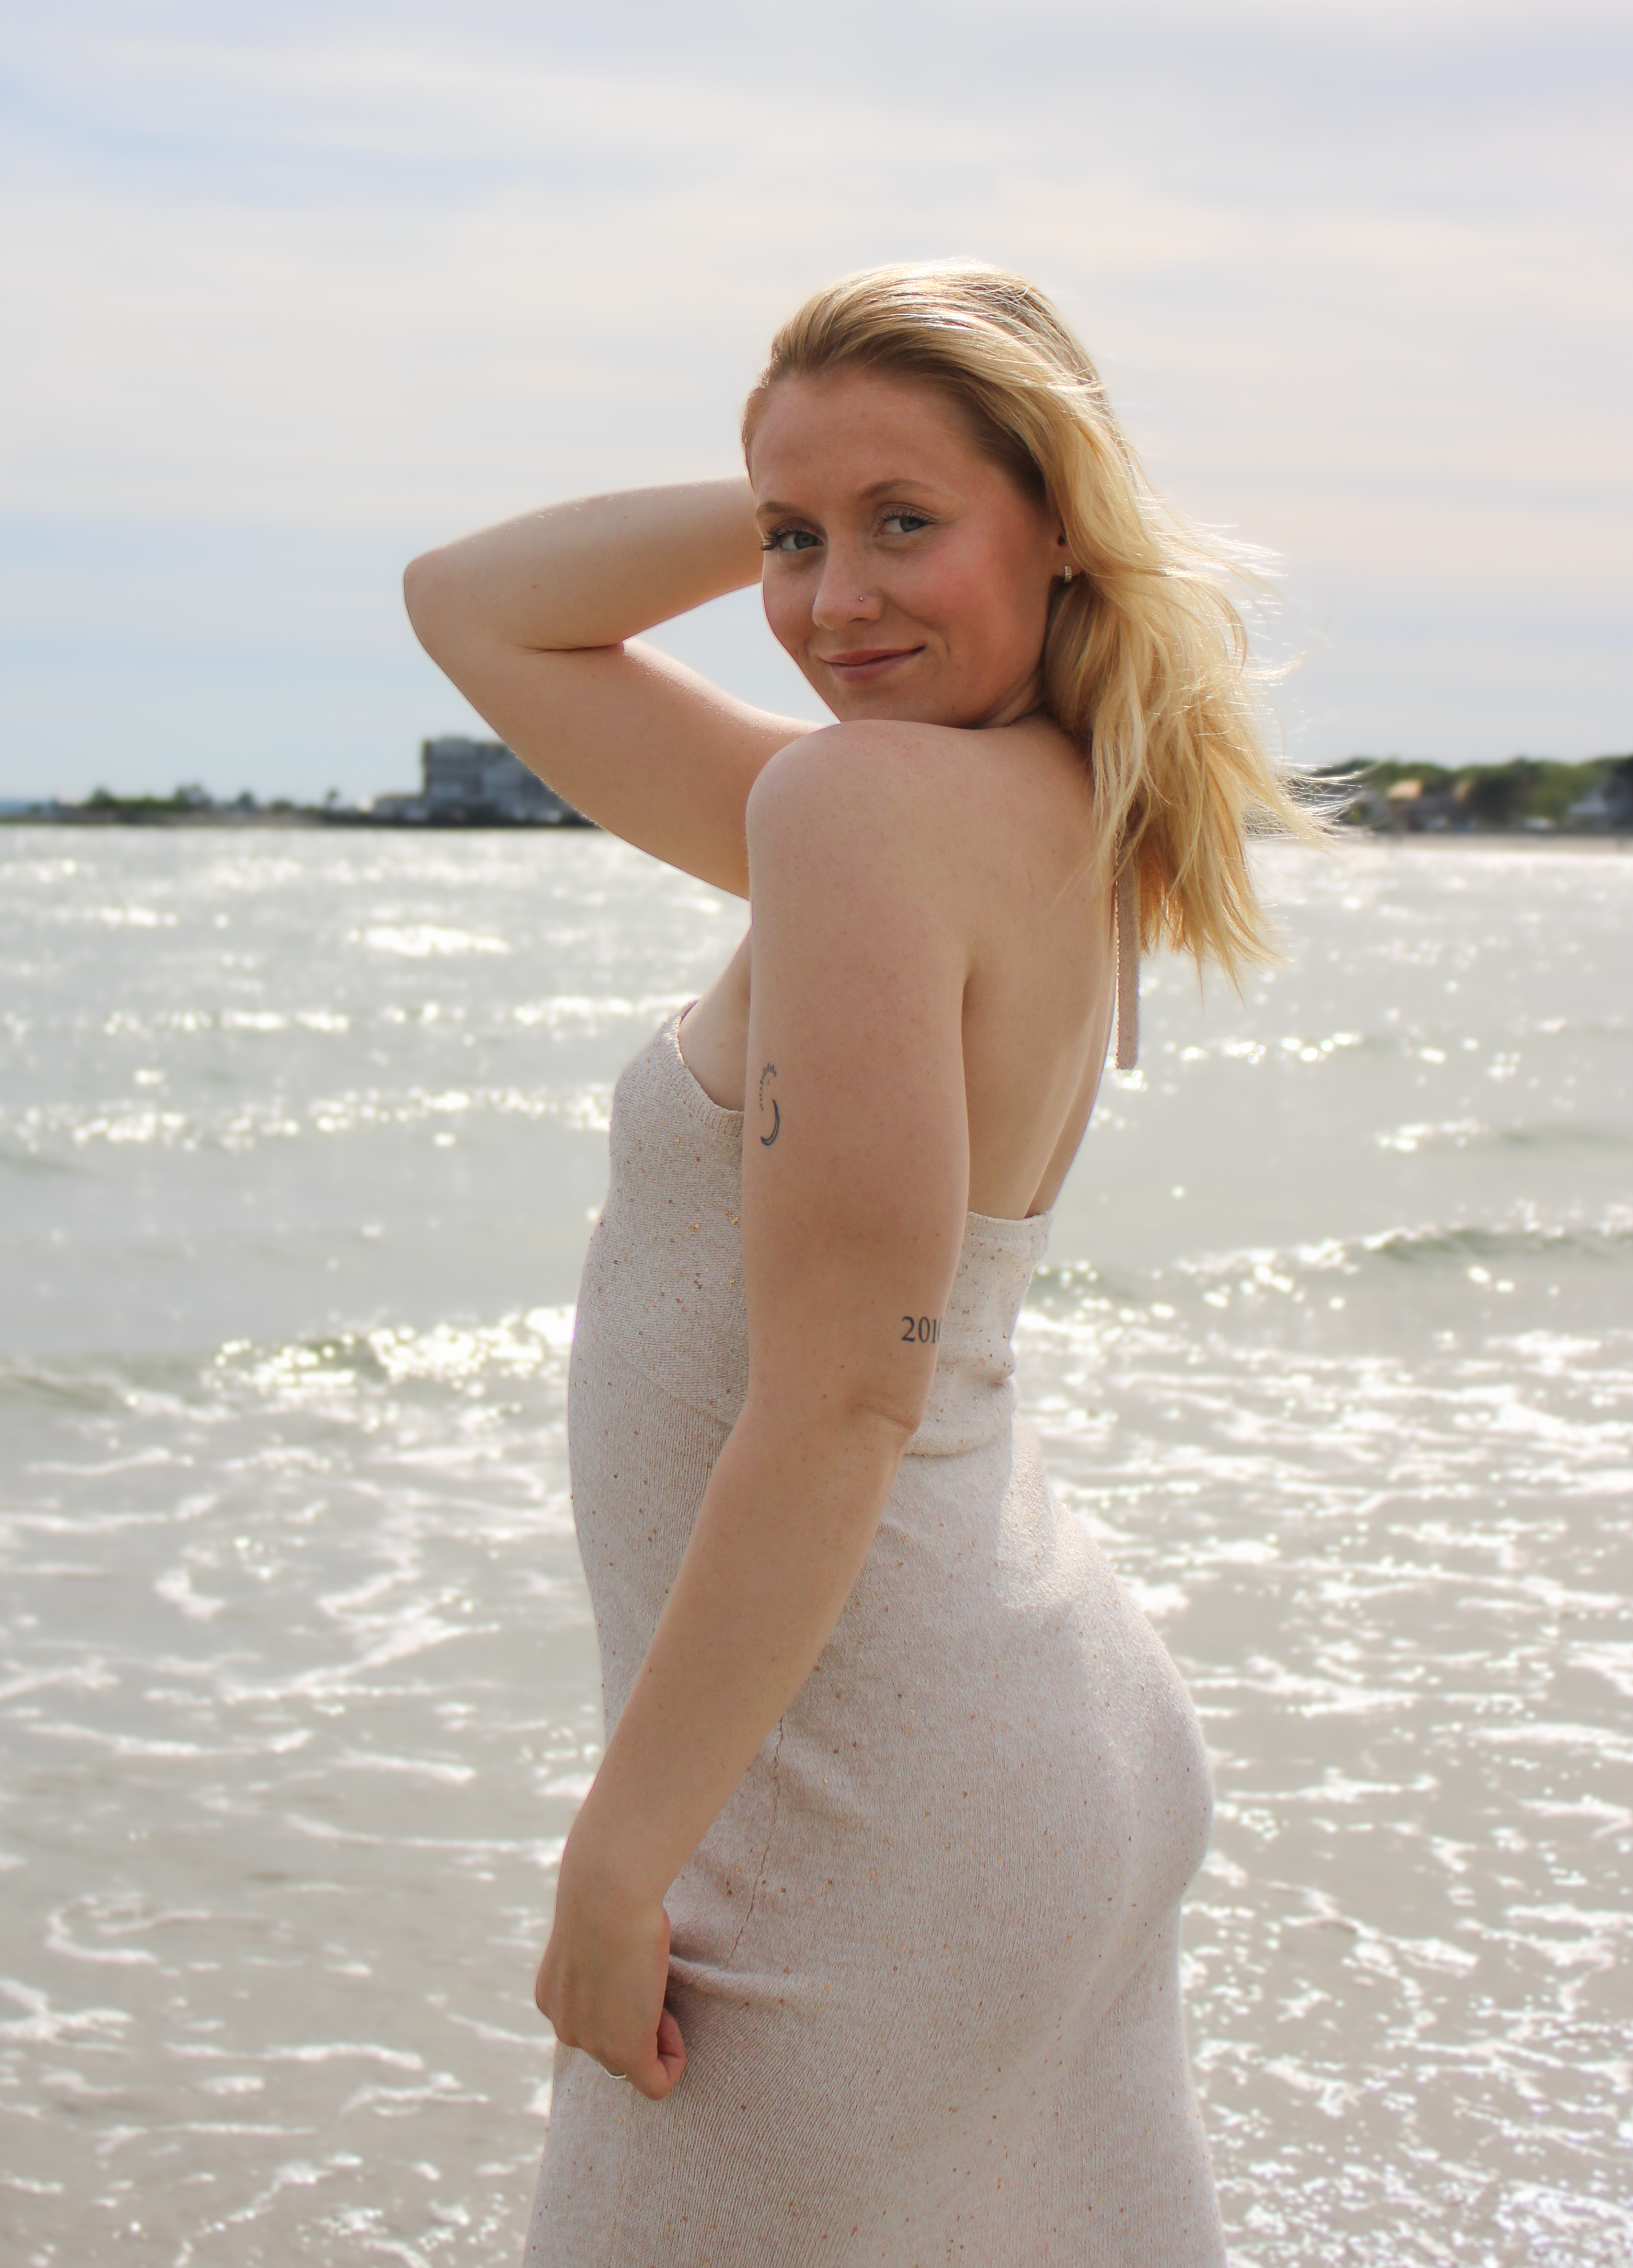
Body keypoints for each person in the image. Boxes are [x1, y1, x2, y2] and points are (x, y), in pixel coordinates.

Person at [405, 264, 1314, 2265]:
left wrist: (615, 1860)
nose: (833, 603)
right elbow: (469, 604)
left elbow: (840, 1396)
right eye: (792, 543)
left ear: (1056, 524)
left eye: (908, 524)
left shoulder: (857, 808)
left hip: (856, 1805)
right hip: (1013, 1750)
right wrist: (830, 486)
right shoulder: (1041, 803)